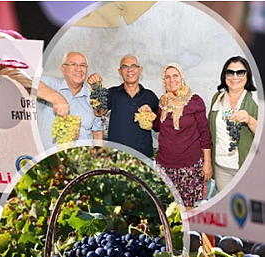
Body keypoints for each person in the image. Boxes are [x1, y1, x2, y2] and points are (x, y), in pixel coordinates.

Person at [142, 63, 212, 208]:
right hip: (165, 166)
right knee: (170, 209)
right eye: (167, 77)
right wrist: (148, 113)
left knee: (190, 210)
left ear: (182, 77)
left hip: (190, 167)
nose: (171, 80)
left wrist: (207, 163)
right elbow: (157, 127)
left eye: (175, 75)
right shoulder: (163, 102)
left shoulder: (195, 101)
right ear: (164, 81)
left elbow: (205, 133)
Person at [86, 55, 159, 159]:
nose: (129, 70)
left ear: (140, 70)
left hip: (144, 157)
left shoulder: (149, 96)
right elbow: (98, 112)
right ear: (120, 71)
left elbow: (159, 127)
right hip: (117, 157)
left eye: (133, 66)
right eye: (125, 67)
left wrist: (151, 115)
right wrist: (95, 87)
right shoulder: (112, 93)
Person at [208, 56, 258, 192]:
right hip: (221, 167)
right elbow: (210, 132)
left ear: (247, 75)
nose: (235, 77)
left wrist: (250, 120)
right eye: (230, 72)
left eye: (240, 72)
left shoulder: (256, 99)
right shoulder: (217, 98)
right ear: (224, 75)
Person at [37, 51, 104, 149]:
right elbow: (29, 83)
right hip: (49, 161)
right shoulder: (52, 85)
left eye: (83, 65)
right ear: (63, 69)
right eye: (73, 64)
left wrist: (98, 154)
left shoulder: (92, 98)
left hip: (78, 161)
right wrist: (55, 98)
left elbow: (97, 133)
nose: (79, 69)